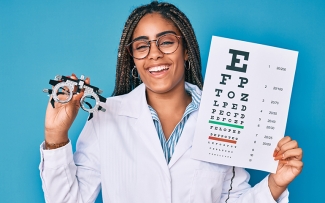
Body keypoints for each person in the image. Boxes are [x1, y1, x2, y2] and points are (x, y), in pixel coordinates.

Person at [39, 1, 303, 202]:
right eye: (142, 46)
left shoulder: (222, 115)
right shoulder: (106, 117)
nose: (154, 54)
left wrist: (276, 184)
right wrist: (55, 135)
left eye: (166, 42)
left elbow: (232, 197)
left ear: (186, 50)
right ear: (133, 59)